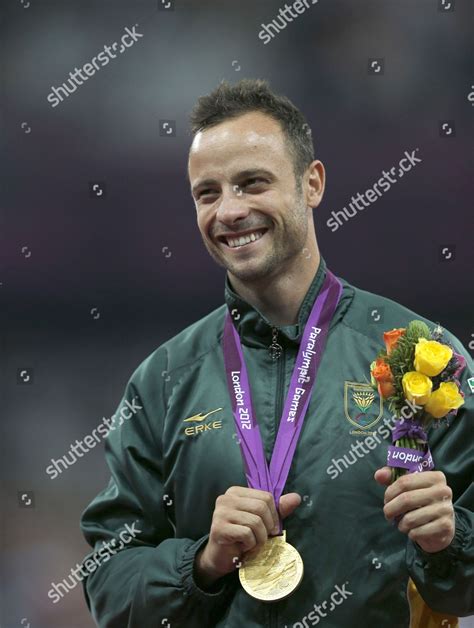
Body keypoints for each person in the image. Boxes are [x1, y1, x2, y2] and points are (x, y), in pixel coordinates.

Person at [80, 79, 473, 627]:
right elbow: (107, 583)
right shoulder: (164, 381)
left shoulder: (421, 353)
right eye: (207, 193)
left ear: (312, 184)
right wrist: (202, 562)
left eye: (252, 183)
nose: (229, 211)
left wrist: (451, 540)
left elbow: (463, 588)